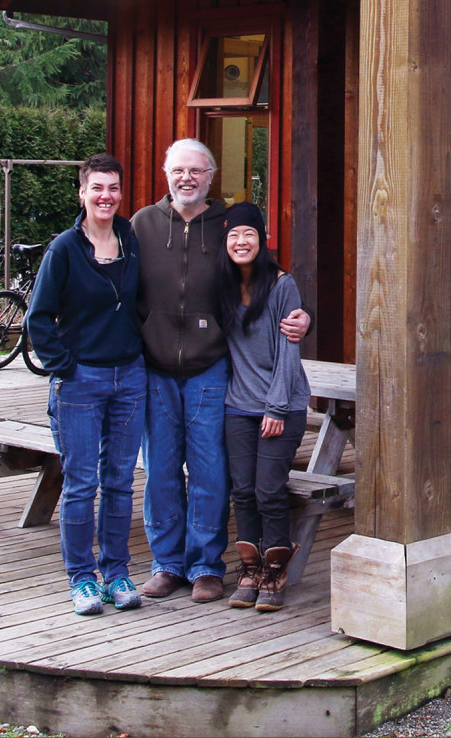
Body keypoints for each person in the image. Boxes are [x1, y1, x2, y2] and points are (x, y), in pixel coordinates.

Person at [131, 138, 310, 603]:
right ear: (166, 175)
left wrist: (301, 317)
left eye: (196, 170)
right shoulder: (143, 225)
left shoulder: (224, 225)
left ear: (211, 176)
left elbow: (262, 278)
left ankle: (207, 565)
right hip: (156, 371)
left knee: (211, 474)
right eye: (178, 170)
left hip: (212, 371)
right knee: (162, 473)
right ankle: (168, 564)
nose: (186, 178)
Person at [26, 154, 146, 617]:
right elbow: (39, 318)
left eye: (113, 188)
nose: (106, 196)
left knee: (119, 481)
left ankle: (116, 572)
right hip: (81, 382)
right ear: (82, 193)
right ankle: (81, 578)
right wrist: (66, 368)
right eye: (97, 188)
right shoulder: (64, 249)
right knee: (81, 484)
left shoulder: (130, 240)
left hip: (130, 378)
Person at [218, 201, 310, 612]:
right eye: (234, 235)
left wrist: (275, 407)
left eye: (249, 234)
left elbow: (290, 351)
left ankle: (275, 568)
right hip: (237, 405)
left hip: (281, 405)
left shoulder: (280, 284)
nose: (241, 242)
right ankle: (250, 567)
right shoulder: (219, 286)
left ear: (262, 240)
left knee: (269, 489)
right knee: (242, 490)